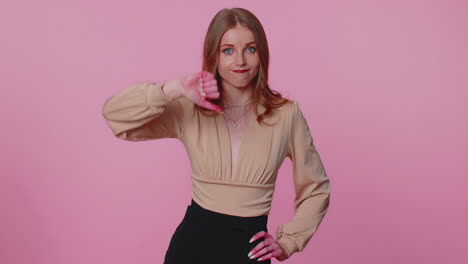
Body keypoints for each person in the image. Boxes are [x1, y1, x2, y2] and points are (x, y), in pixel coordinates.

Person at [101, 7, 331, 264]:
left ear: (262, 54)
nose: (240, 61)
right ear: (215, 56)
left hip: (249, 252)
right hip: (190, 248)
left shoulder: (287, 115)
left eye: (250, 49)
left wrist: (288, 241)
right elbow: (115, 117)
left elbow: (316, 188)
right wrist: (171, 89)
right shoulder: (189, 108)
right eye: (228, 50)